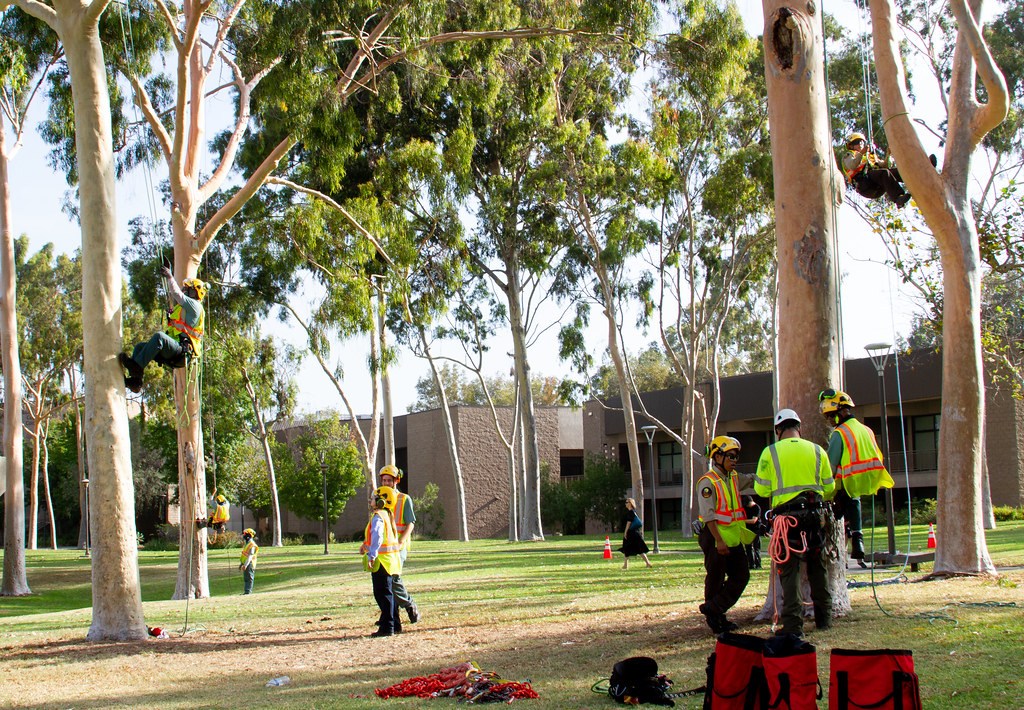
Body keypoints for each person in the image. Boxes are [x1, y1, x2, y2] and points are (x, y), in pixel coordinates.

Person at [754, 409, 837, 637]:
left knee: (789, 573)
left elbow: (761, 488)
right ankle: (824, 619)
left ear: (778, 431)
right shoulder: (818, 450)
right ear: (799, 428)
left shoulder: (770, 452)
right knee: (818, 568)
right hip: (816, 518)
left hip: (787, 521)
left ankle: (793, 626)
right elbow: (829, 488)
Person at [819, 389, 896, 564]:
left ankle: (842, 545)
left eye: (831, 415)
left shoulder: (840, 433)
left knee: (831, 509)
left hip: (848, 482)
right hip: (869, 479)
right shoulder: (866, 429)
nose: (830, 420)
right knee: (853, 502)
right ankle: (857, 538)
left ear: (841, 411)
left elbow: (830, 465)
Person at [696, 436, 756, 634]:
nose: (735, 460)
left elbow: (755, 480)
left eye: (737, 456)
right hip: (715, 538)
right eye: (731, 456)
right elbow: (709, 515)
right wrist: (719, 541)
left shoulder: (734, 478)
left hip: (733, 538)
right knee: (715, 578)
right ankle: (716, 621)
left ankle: (714, 608)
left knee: (741, 575)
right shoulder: (707, 482)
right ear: (717, 456)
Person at [119, 266, 207, 393]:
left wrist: (169, 276)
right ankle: (136, 382)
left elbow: (177, 293)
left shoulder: (195, 306)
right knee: (139, 347)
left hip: (182, 353)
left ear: (196, 293)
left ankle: (136, 367)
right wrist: (167, 277)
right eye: (185, 289)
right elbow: (173, 294)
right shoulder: (181, 308)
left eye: (189, 290)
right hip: (174, 350)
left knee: (159, 337)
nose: (186, 291)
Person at [378, 465, 420, 624]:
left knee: (394, 577)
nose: (386, 483)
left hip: (399, 547)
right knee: (383, 581)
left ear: (396, 481)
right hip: (384, 547)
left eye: (389, 480)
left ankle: (409, 605)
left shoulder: (404, 499)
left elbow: (410, 524)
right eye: (384, 480)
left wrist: (400, 541)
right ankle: (390, 614)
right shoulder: (379, 499)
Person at [362, 485, 403, 637]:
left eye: (373, 497)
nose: (371, 500)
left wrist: (372, 555)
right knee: (389, 593)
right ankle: (395, 625)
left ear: (381, 501)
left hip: (382, 562)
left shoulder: (379, 516)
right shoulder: (388, 515)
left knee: (382, 594)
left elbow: (377, 536)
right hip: (390, 562)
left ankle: (387, 627)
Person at [841, 133, 912, 207]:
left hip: (877, 183)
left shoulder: (869, 156)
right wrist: (861, 153)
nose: (860, 144)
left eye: (862, 142)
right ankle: (898, 198)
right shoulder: (849, 156)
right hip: (865, 185)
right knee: (884, 173)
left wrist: (888, 155)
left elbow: (885, 165)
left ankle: (913, 179)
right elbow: (852, 166)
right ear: (851, 145)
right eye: (857, 142)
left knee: (896, 172)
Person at [618, 498, 653, 570]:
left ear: (630, 503)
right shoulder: (634, 512)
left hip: (632, 533)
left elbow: (629, 523)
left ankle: (647, 563)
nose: (625, 504)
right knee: (631, 548)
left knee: (630, 548)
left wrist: (625, 532)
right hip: (635, 533)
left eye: (627, 502)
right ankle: (626, 565)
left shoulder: (631, 512)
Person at [239, 528, 259, 595]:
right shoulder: (247, 544)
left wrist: (245, 565)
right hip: (246, 563)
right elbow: (245, 555)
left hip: (250, 564)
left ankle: (248, 592)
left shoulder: (252, 544)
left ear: (249, 535)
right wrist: (241, 564)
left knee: (249, 578)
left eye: (245, 534)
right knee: (246, 578)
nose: (244, 535)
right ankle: (246, 592)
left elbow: (250, 555)